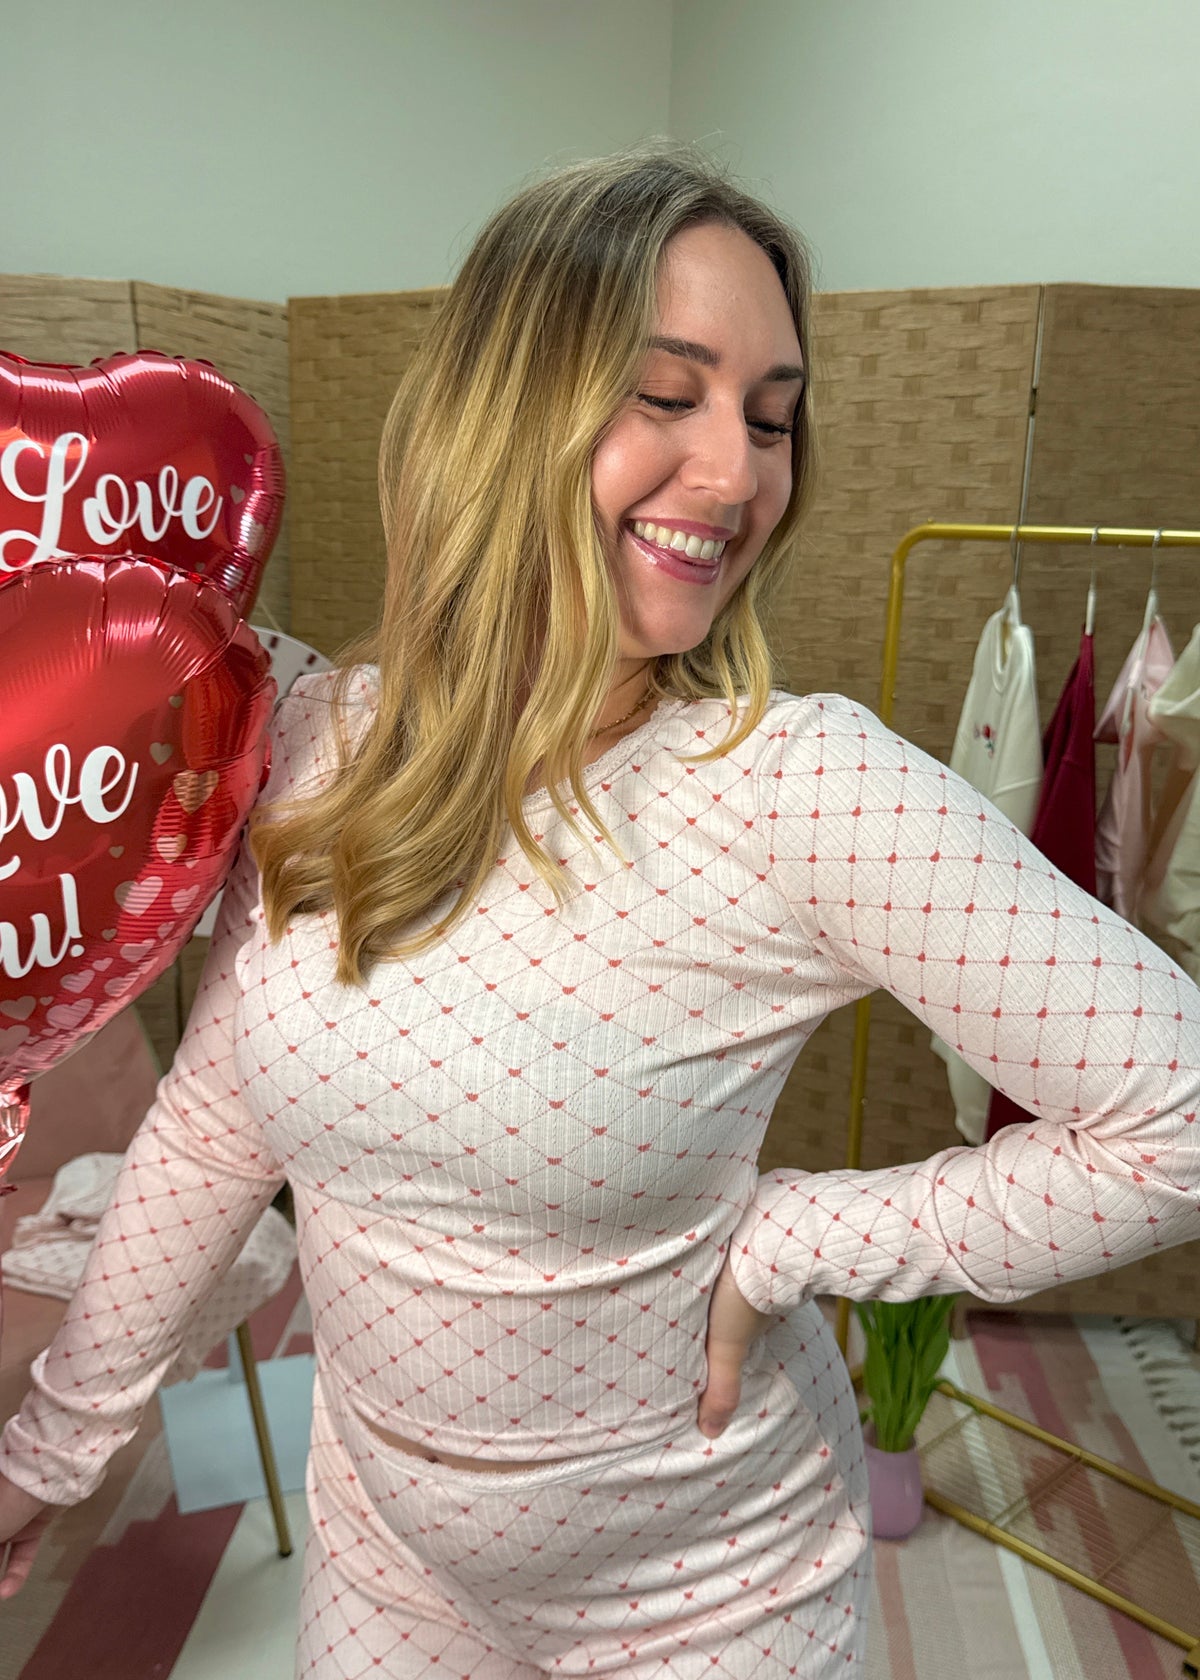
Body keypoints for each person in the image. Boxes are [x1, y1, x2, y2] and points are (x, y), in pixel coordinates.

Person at [1, 141, 1197, 1680]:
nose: (739, 473)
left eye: (772, 416)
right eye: (667, 393)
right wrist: (46, 1457)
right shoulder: (300, 735)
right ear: (503, 407)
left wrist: (793, 1237)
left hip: (708, 1594)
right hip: (387, 1551)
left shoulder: (796, 788)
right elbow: (219, 1123)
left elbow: (1175, 1115)